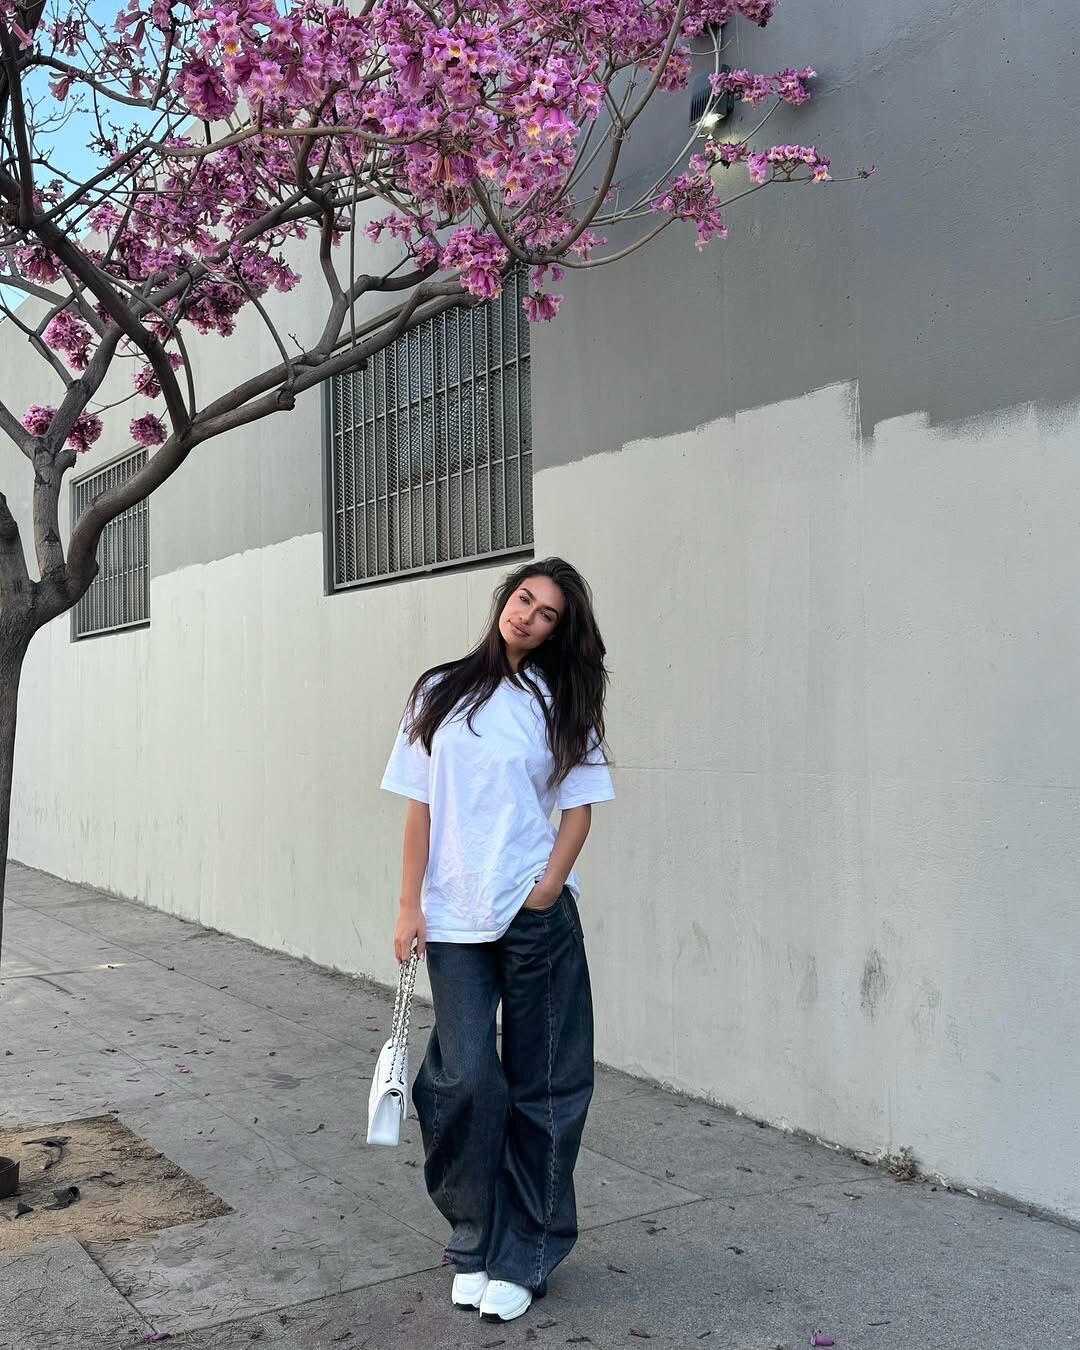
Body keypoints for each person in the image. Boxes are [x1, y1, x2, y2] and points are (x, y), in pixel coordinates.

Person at [381, 557, 614, 1325]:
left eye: (547, 614)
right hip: (453, 918)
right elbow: (419, 807)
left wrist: (546, 888)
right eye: (524, 599)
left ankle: (526, 1254)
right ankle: (475, 1239)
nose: (529, 616)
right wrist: (408, 907)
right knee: (465, 1080)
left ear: (556, 632)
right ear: (504, 599)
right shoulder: (438, 690)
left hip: (533, 915)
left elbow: (579, 808)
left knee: (545, 1085)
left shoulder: (560, 701)